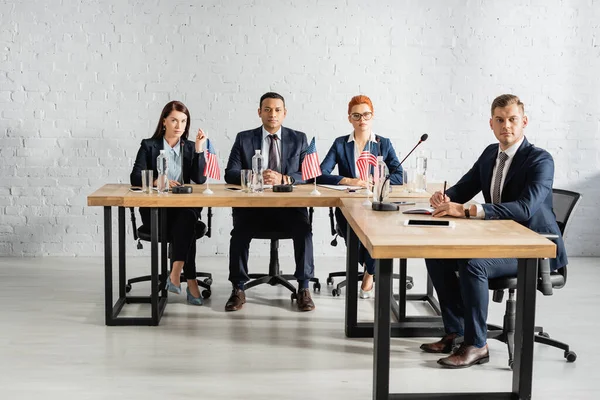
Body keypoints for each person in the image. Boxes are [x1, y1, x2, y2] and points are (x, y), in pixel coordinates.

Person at [421, 94, 567, 368]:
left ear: (524, 122)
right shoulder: (491, 153)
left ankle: (477, 345)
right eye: (500, 120)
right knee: (437, 255)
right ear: (491, 124)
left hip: (534, 249)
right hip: (499, 241)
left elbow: (524, 208)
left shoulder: (540, 160)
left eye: (512, 120)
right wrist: (443, 198)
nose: (506, 126)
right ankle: (457, 331)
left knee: (474, 264)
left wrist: (469, 211)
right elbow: (464, 188)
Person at [224, 92, 316, 312]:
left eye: (277, 110)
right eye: (267, 109)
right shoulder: (244, 138)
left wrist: (285, 178)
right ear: (259, 112)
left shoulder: (299, 138)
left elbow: (310, 174)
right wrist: (254, 176)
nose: (272, 114)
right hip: (253, 209)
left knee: (304, 232)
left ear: (284, 113)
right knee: (238, 235)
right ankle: (238, 288)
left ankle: (303, 288)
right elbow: (230, 173)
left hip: (289, 209)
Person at [317, 95, 403, 298]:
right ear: (350, 119)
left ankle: (370, 273)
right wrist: (349, 180)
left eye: (366, 114)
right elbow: (321, 173)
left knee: (377, 237)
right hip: (349, 206)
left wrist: (379, 179)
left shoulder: (383, 144)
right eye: (356, 115)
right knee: (354, 240)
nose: (361, 119)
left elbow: (400, 175)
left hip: (376, 205)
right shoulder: (340, 144)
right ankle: (371, 267)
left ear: (372, 116)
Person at [130, 100, 209, 306]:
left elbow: (200, 180)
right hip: (157, 213)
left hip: (183, 209)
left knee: (188, 217)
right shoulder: (149, 145)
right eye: (174, 120)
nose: (179, 126)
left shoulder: (190, 147)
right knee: (190, 224)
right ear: (164, 121)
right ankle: (191, 282)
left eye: (183, 121)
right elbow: (135, 177)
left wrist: (200, 150)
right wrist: (156, 181)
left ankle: (174, 274)